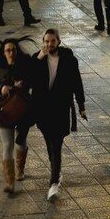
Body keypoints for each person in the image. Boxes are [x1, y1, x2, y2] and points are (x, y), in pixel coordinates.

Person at [31, 29, 86, 201]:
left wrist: (81, 105)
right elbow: (29, 79)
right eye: (46, 41)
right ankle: (56, 170)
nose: (49, 45)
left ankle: (54, 183)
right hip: (43, 109)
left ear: (58, 42)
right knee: (50, 145)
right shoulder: (37, 58)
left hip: (61, 108)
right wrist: (39, 59)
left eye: (52, 41)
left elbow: (77, 82)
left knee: (56, 145)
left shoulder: (69, 60)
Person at [0, 37, 35, 193]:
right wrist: (2, 88)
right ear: (3, 53)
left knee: (20, 141)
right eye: (7, 50)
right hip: (6, 111)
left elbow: (32, 82)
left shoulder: (25, 65)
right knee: (7, 145)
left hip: (23, 109)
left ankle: (20, 169)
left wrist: (21, 85)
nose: (10, 53)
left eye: (13, 50)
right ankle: (10, 182)